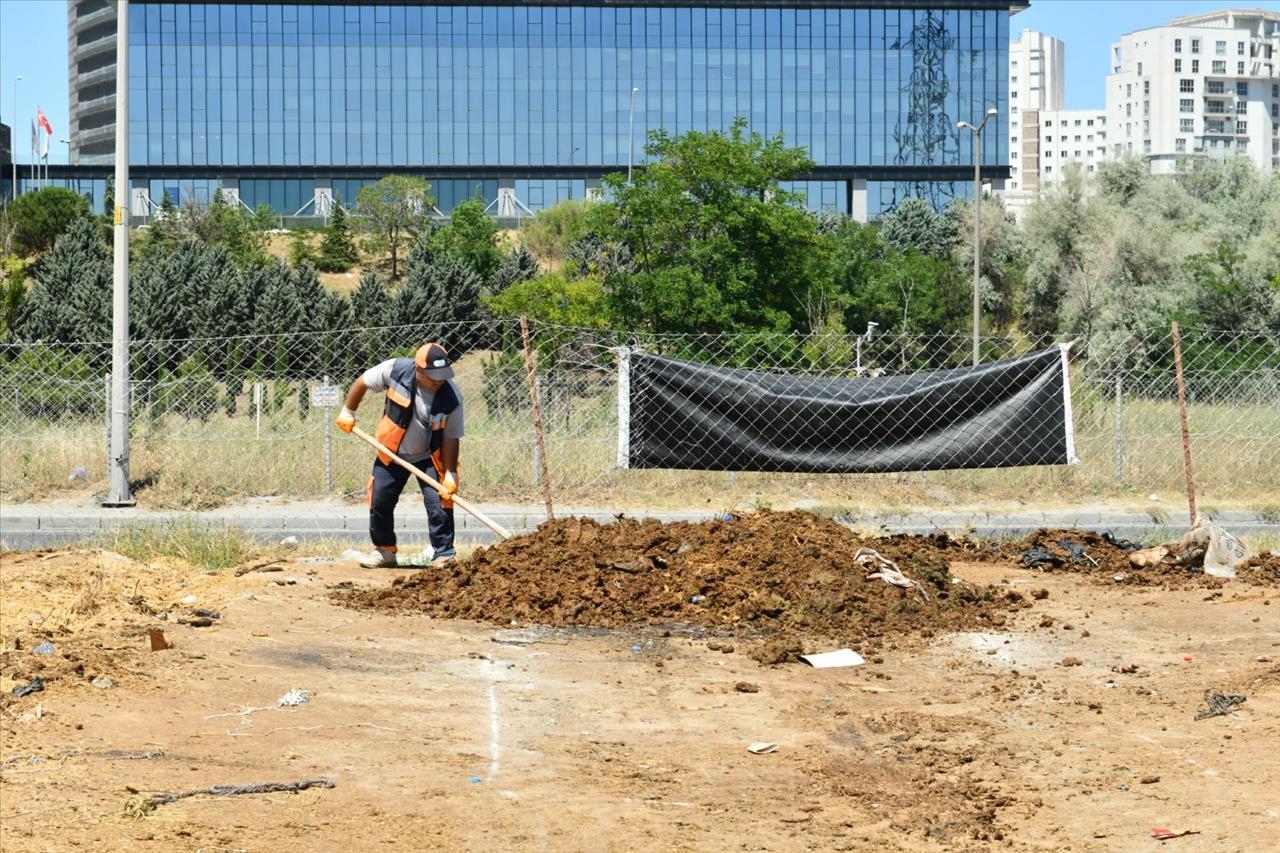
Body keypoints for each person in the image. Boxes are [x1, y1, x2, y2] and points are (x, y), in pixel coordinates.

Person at [336, 342, 464, 568]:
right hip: (391, 452)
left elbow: (451, 438)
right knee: (379, 501)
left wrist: (451, 473)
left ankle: (444, 555)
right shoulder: (395, 370)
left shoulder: (452, 397)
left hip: (429, 456)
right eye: (433, 376)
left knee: (440, 502)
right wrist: (348, 410)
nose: (439, 380)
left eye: (442, 375)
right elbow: (362, 382)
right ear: (418, 369)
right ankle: (385, 552)